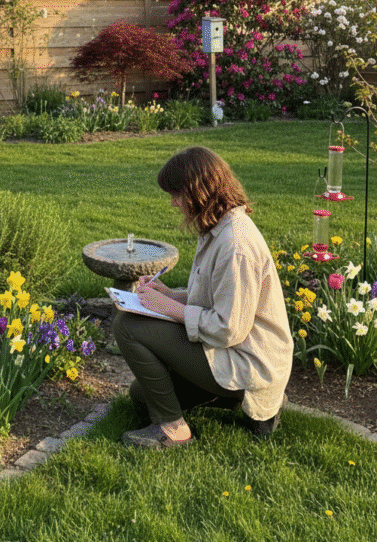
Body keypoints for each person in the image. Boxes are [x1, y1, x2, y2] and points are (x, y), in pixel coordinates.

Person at [113, 146, 293, 447]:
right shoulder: (219, 228)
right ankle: (236, 398)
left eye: (176, 194)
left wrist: (169, 308)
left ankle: (175, 430)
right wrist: (171, 295)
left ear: (198, 192)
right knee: (142, 397)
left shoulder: (236, 244)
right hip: (238, 352)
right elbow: (216, 300)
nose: (172, 203)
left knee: (127, 326)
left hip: (249, 361)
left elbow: (228, 329)